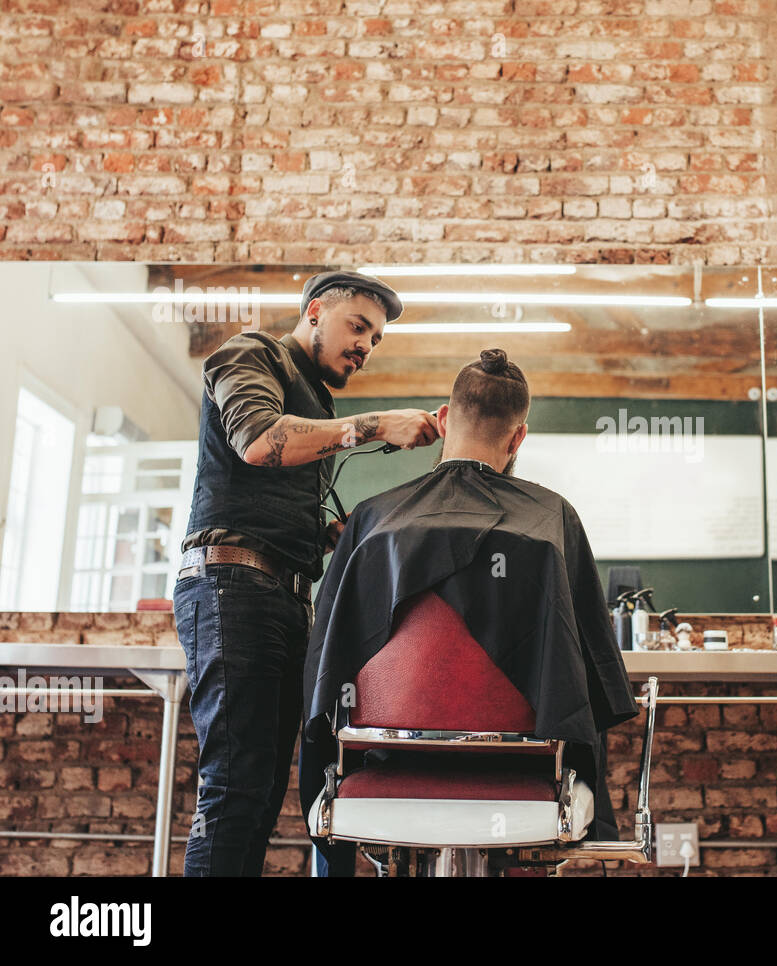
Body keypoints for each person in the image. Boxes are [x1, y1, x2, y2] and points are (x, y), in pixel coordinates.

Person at [301, 348, 639, 876]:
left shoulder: (372, 521)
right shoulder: (552, 520)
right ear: (518, 437)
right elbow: (587, 675)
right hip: (522, 771)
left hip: (386, 768)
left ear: (442, 418)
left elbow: (327, 663)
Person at [173, 270, 441, 877]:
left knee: (263, 793)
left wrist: (331, 538)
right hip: (230, 587)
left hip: (281, 598)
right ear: (315, 311)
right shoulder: (251, 354)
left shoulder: (318, 402)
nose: (365, 347)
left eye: (375, 339)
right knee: (235, 787)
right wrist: (375, 425)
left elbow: (270, 498)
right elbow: (258, 441)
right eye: (358, 327)